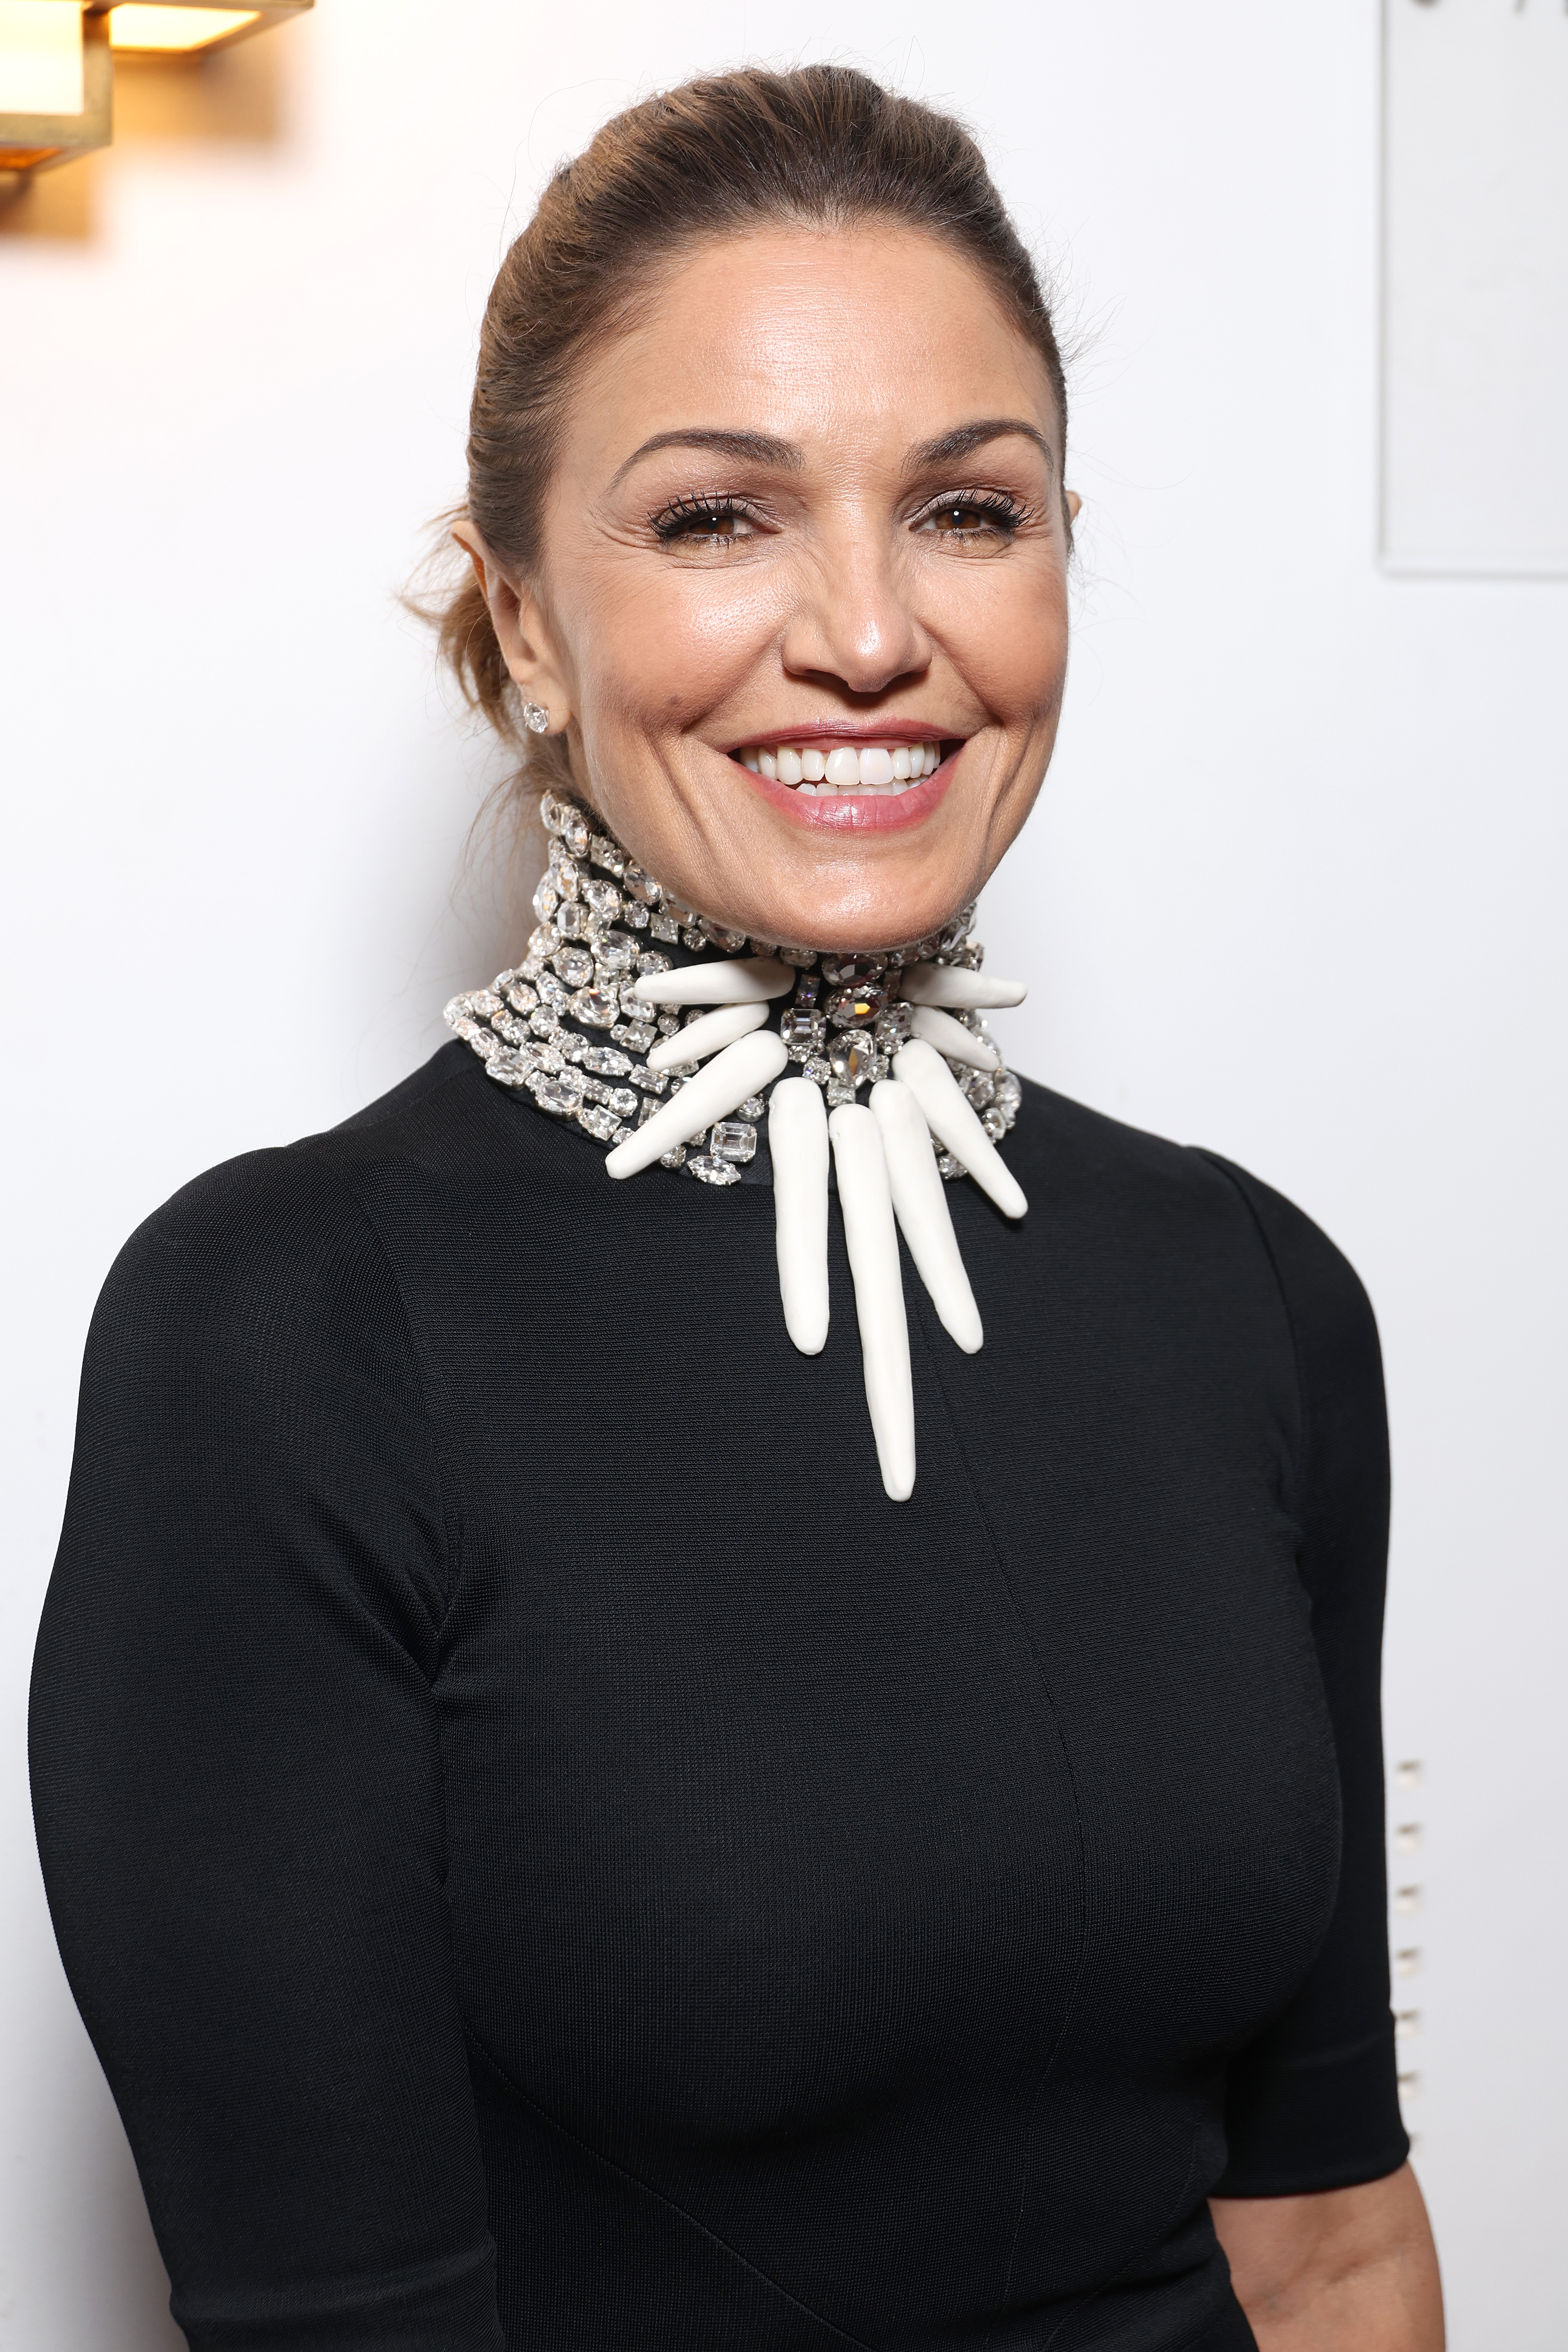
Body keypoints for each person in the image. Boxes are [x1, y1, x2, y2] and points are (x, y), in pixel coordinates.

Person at [30, 63, 1444, 2352]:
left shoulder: (1255, 1299)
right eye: (718, 521)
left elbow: (1333, 2243)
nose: (872, 633)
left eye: (970, 513)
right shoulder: (284, 1339)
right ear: (511, 622)